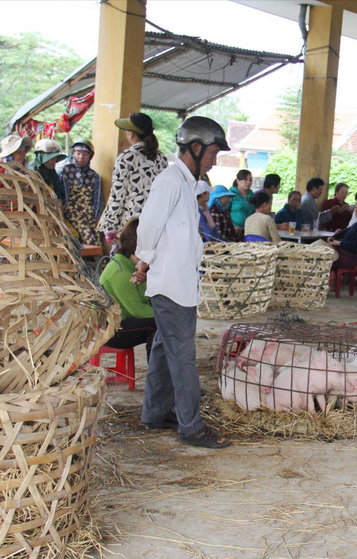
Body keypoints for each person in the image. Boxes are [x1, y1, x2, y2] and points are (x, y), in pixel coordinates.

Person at [134, 115, 231, 448]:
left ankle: (154, 413)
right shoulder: (171, 181)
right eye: (212, 153)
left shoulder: (186, 183)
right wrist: (143, 261)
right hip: (171, 285)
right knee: (183, 357)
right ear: (195, 146)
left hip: (178, 283)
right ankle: (192, 427)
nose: (214, 161)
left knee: (164, 350)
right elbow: (148, 226)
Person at [97, 113, 169, 241]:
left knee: (126, 260)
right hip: (155, 225)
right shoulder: (161, 158)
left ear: (132, 134)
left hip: (130, 227)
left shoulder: (127, 157)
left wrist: (110, 227)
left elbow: (117, 195)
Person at [99, 219, 156, 361]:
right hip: (109, 332)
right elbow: (137, 311)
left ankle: (161, 373)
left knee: (161, 320)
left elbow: (146, 298)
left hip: (119, 323)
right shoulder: (121, 272)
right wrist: (169, 313)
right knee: (156, 325)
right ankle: (156, 377)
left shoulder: (129, 265)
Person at [59, 138, 102, 245]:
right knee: (90, 240)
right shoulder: (65, 171)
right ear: (73, 154)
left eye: (85, 154)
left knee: (98, 239)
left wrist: (97, 217)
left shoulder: (94, 176)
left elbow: (98, 199)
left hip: (89, 215)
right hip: (72, 214)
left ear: (90, 157)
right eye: (78, 153)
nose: (81, 157)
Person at [228, 169, 254, 235]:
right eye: (245, 180)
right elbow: (225, 212)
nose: (248, 182)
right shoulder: (230, 195)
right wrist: (233, 226)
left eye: (250, 180)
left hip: (249, 231)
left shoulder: (252, 195)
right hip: (234, 230)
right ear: (238, 181)